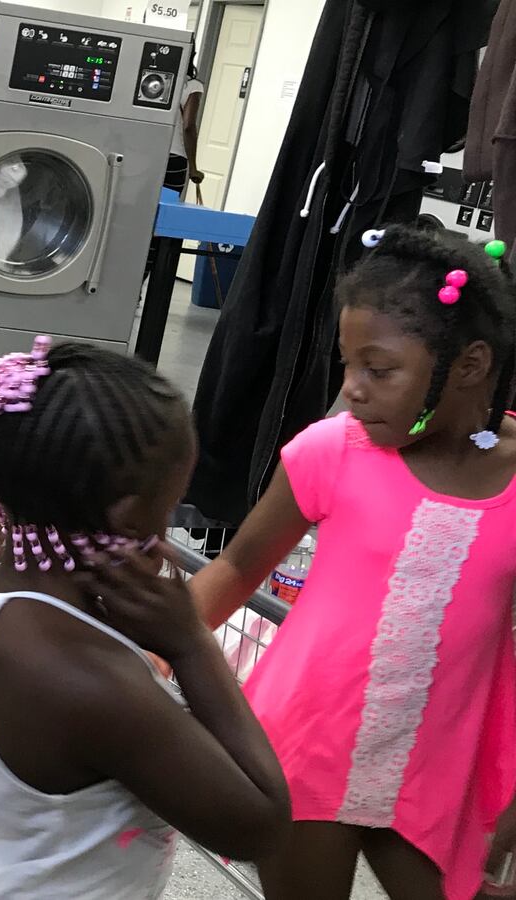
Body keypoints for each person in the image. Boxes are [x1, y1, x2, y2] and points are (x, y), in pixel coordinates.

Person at [190, 225, 516, 900]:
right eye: (349, 365)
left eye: (379, 369)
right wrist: (132, 653)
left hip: (434, 771)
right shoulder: (331, 450)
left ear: (471, 365)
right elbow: (236, 569)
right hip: (304, 752)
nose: (353, 390)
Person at [0, 339, 290, 899]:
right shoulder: (91, 681)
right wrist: (189, 644)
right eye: (170, 500)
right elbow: (262, 824)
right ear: (129, 512)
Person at [164, 62, 206, 195]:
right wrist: (193, 168)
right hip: (174, 158)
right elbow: (188, 126)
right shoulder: (192, 86)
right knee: (167, 205)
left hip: (147, 153)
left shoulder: (153, 79)